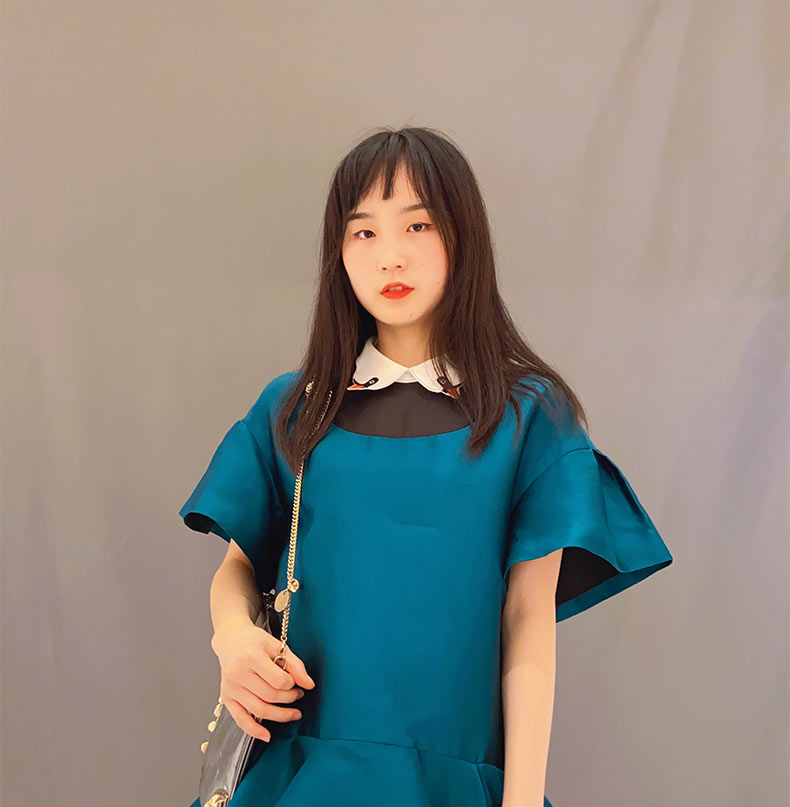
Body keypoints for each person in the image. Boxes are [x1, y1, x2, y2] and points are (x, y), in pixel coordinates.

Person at [178, 126, 673, 807]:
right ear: (338, 254)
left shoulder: (528, 416)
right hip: (304, 775)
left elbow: (527, 621)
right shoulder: (295, 409)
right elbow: (238, 567)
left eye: (418, 225)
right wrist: (233, 638)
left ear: (462, 236)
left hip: (455, 780)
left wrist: (522, 800)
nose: (391, 256)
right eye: (364, 233)